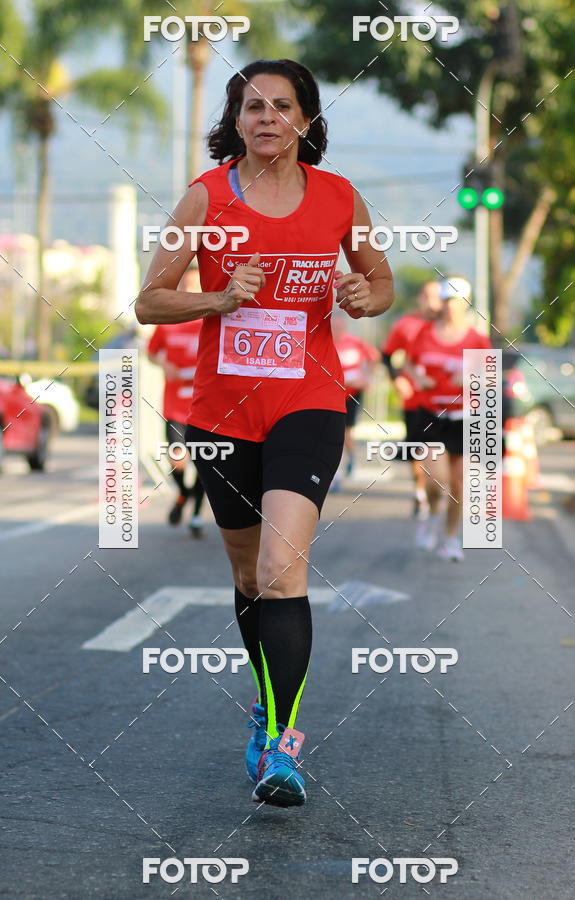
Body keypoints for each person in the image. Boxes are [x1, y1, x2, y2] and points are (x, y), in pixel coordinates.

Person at [134, 58, 393, 807]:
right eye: (253, 107)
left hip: (308, 402)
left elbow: (379, 282)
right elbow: (150, 302)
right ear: (237, 119)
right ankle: (265, 709)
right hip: (221, 413)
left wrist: (363, 295)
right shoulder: (205, 197)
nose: (268, 118)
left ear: (307, 120)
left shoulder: (341, 198)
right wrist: (217, 296)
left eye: (284, 106)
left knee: (284, 571)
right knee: (250, 578)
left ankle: (282, 746)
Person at [403, 276, 491, 562]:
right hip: (432, 415)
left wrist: (470, 376)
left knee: (459, 484)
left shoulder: (477, 339)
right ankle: (430, 518)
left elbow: (490, 376)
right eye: (447, 300)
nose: (451, 306)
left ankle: (450, 538)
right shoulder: (426, 333)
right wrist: (417, 377)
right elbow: (407, 361)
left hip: (465, 417)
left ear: (466, 303)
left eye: (456, 301)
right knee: (436, 481)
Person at [147, 265, 206, 538]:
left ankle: (195, 516)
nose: (189, 291)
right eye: (186, 286)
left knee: (207, 463)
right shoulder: (169, 320)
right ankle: (182, 494)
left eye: (195, 286)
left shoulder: (211, 317)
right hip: (175, 405)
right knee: (178, 459)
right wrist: (164, 363)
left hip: (206, 405)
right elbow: (152, 352)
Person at [381, 281, 442, 518]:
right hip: (414, 399)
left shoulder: (448, 326)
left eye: (437, 297)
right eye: (428, 296)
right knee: (418, 448)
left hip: (443, 400)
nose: (432, 302)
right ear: (420, 298)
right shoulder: (406, 325)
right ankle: (420, 492)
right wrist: (398, 380)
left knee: (439, 448)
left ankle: (436, 489)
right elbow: (386, 356)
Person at [331, 315, 380, 481]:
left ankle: (350, 457)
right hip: (333, 393)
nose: (337, 331)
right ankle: (335, 465)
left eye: (340, 327)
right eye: (334, 327)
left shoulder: (354, 342)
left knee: (346, 431)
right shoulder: (326, 342)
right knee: (334, 430)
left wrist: (367, 377)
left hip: (352, 393)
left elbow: (374, 357)